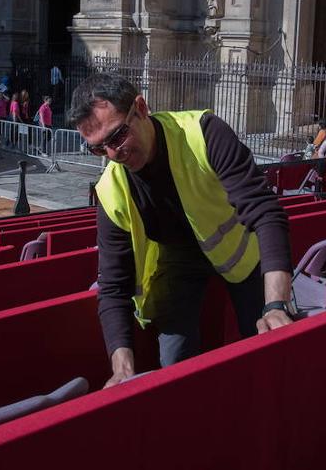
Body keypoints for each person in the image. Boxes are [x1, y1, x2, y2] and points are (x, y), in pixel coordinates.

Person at [70, 73, 294, 387]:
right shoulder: (110, 189)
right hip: (176, 260)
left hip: (238, 248)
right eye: (98, 148)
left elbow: (265, 212)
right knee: (174, 362)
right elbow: (113, 286)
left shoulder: (203, 132)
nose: (112, 154)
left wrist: (276, 305)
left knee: (266, 343)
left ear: (141, 107)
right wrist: (122, 370)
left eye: (117, 136)